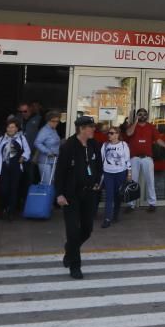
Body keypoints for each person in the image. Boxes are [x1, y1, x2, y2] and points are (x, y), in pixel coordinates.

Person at [55, 116, 103, 279]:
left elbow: (98, 166)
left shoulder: (94, 144)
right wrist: (59, 193)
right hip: (71, 195)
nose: (93, 129)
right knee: (73, 231)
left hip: (89, 193)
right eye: (91, 127)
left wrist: (97, 181)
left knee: (87, 230)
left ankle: (70, 250)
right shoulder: (69, 146)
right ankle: (75, 266)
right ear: (82, 129)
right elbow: (60, 171)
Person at [125, 108, 165, 212]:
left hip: (147, 158)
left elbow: (158, 140)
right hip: (134, 158)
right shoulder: (132, 126)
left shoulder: (151, 127)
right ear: (137, 116)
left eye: (144, 114)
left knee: (150, 182)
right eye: (140, 114)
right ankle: (131, 205)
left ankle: (152, 204)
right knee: (132, 182)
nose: (142, 116)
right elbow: (129, 134)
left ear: (147, 116)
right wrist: (135, 122)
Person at [0, 119, 31, 220]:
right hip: (3, 167)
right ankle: (5, 207)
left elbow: (27, 150)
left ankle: (10, 212)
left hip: (15, 167)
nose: (10, 129)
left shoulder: (21, 138)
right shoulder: (1, 139)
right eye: (8, 127)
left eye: (13, 127)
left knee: (13, 189)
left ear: (16, 128)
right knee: (4, 189)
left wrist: (23, 157)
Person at [100, 127, 132, 228]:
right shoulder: (105, 145)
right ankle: (107, 218)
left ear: (117, 134)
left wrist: (129, 173)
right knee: (109, 195)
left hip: (120, 173)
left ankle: (115, 214)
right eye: (108, 133)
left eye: (112, 133)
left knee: (118, 195)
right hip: (108, 173)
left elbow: (127, 159)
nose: (109, 135)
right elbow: (101, 159)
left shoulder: (123, 145)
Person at [34, 111, 62, 185]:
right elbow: (37, 142)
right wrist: (47, 151)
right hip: (45, 161)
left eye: (57, 121)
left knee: (52, 182)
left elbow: (54, 143)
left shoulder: (54, 130)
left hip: (54, 160)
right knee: (46, 182)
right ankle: (45, 197)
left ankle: (50, 196)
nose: (56, 123)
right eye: (53, 121)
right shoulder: (44, 130)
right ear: (48, 120)